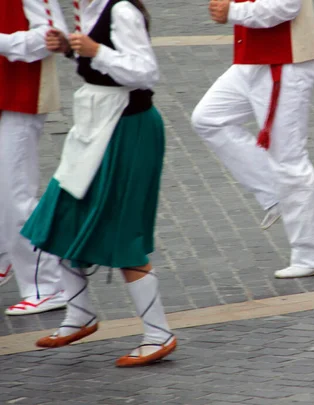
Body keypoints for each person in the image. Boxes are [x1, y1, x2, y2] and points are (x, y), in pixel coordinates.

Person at [20, 0, 176, 367]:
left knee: (122, 232)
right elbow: (99, 68)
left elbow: (144, 72)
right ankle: (80, 314)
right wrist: (73, 52)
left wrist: (96, 51)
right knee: (59, 214)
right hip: (95, 125)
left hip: (127, 130)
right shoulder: (87, 9)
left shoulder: (121, 11)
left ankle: (158, 333)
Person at [191, 0, 314, 278]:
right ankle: (275, 193)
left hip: (285, 61)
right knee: (208, 118)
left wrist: (232, 12)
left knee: (288, 158)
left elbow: (286, 6)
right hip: (255, 59)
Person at [0, 0, 67, 314]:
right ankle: (4, 257)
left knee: (16, 193)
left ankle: (48, 284)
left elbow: (53, 36)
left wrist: (3, 42)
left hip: (20, 93)